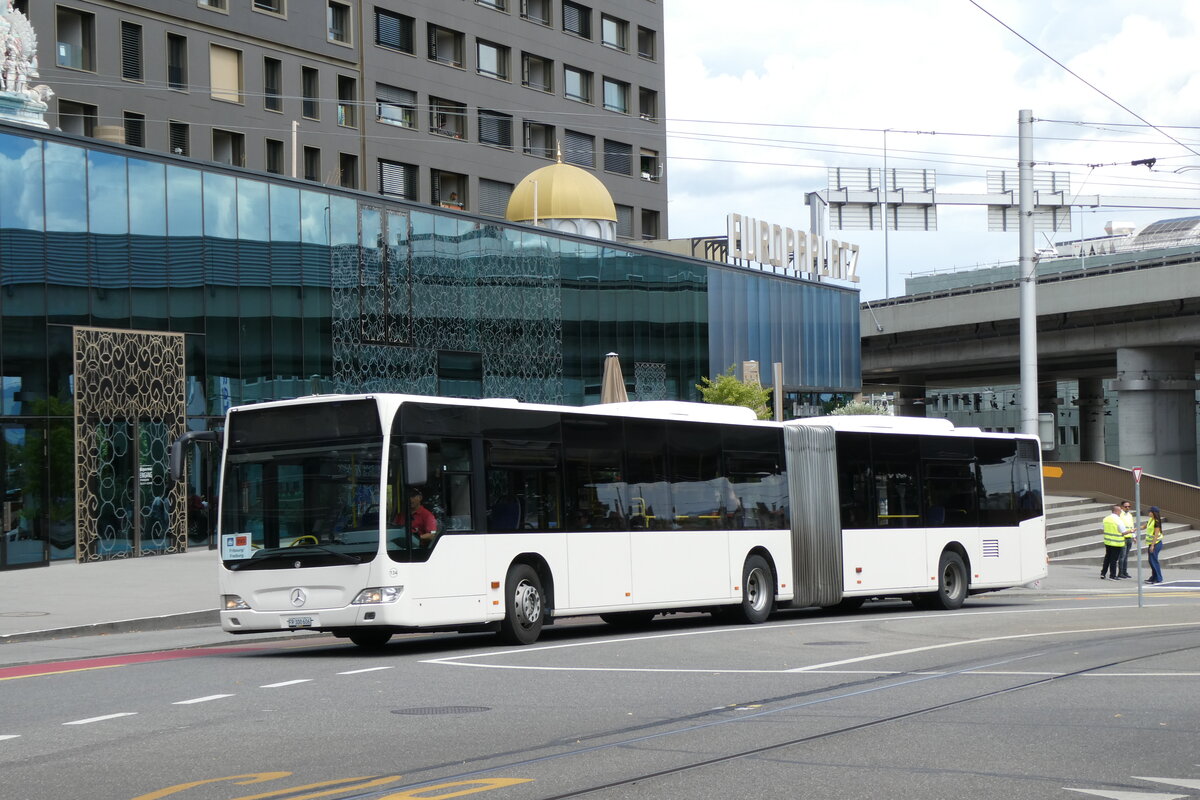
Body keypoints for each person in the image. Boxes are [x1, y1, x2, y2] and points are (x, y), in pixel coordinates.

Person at [1100, 504, 1126, 580]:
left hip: (1108, 542)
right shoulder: (1118, 520)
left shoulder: (1106, 519)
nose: (1121, 512)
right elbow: (1123, 532)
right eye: (1120, 511)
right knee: (1113, 560)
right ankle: (1112, 575)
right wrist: (1131, 531)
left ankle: (1103, 573)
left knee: (1107, 558)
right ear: (1116, 511)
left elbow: (1102, 529)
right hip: (1116, 542)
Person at [1143, 506, 1164, 584]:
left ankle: (1158, 578)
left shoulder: (1156, 521)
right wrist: (1135, 529)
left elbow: (1155, 535)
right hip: (1152, 544)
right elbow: (1144, 527)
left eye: (1150, 511)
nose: (1149, 513)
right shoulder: (1150, 520)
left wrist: (1152, 545)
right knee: (1151, 561)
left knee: (1153, 561)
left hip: (1156, 544)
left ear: (1153, 513)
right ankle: (1154, 577)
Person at [1117, 500, 1135, 578]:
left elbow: (1132, 526)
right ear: (1122, 507)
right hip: (1123, 537)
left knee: (1126, 556)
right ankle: (1120, 573)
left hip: (1129, 537)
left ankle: (1125, 572)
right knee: (1122, 556)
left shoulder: (1130, 515)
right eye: (1126, 506)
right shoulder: (1120, 515)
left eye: (1129, 506)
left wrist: (1134, 536)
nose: (1127, 508)